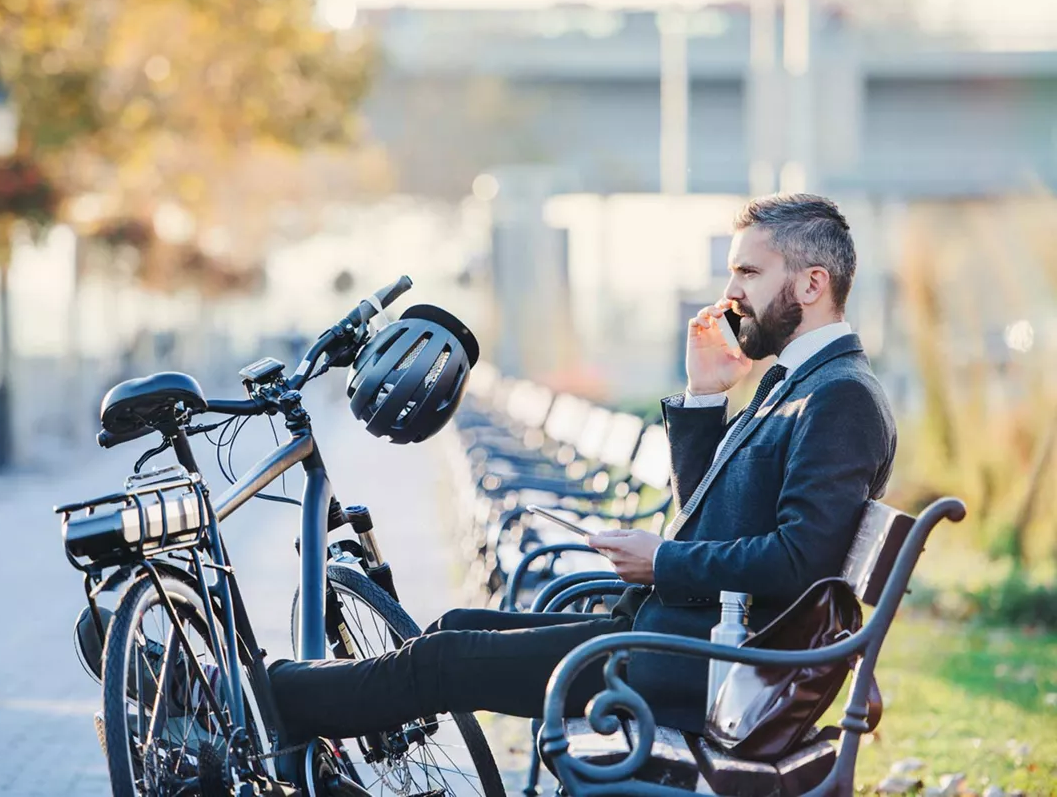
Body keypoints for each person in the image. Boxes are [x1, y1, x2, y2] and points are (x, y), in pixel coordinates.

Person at [267, 193, 897, 740]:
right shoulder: (802, 382)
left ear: (812, 284)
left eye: (748, 273)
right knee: (454, 627)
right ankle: (301, 714)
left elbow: (800, 562)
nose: (730, 294)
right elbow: (714, 516)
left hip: (699, 665)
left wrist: (661, 561)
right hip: (675, 640)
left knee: (442, 661)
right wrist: (704, 395)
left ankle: (264, 700)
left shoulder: (840, 396)